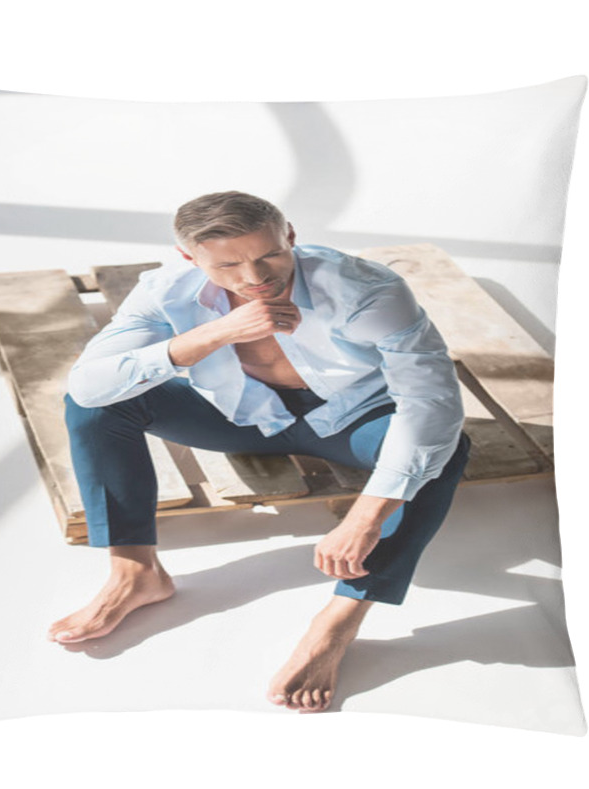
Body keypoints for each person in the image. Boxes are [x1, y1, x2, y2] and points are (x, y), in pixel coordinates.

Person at [48, 191, 470, 713]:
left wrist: (368, 511)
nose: (254, 277)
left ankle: (339, 620)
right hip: (240, 416)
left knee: (446, 447)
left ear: (289, 235)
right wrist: (214, 334)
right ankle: (135, 572)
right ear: (190, 259)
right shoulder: (164, 290)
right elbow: (90, 384)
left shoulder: (367, 291)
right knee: (95, 406)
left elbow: (430, 403)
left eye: (268, 255)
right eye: (228, 264)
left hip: (350, 420)